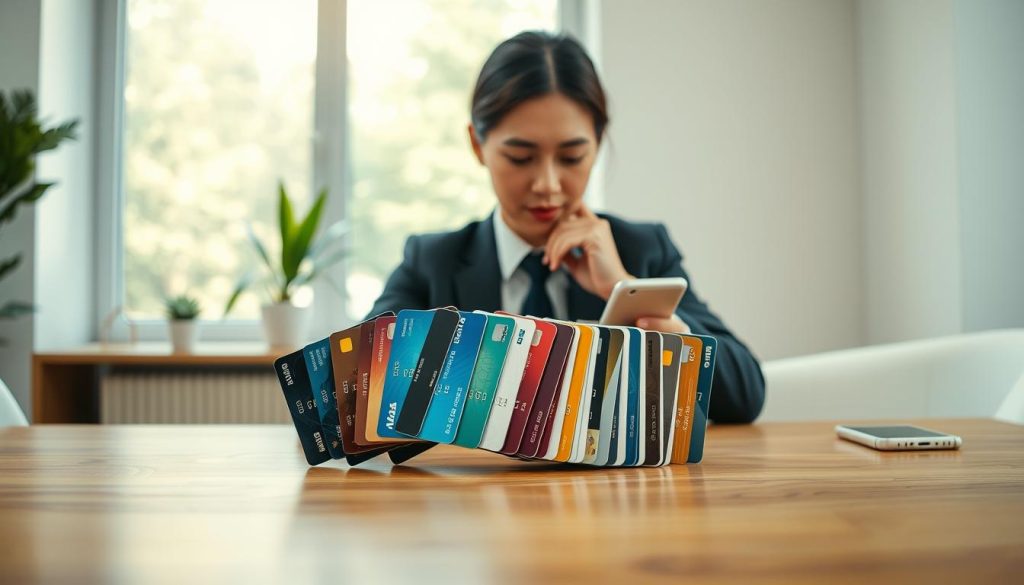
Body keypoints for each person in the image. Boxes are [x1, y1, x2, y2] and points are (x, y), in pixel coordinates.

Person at [366, 31, 764, 423]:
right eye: (521, 158)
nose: (548, 185)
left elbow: (745, 396)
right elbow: (355, 387)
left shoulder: (641, 250)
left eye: (572, 157)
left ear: (598, 143)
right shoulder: (433, 260)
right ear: (476, 145)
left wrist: (624, 292)